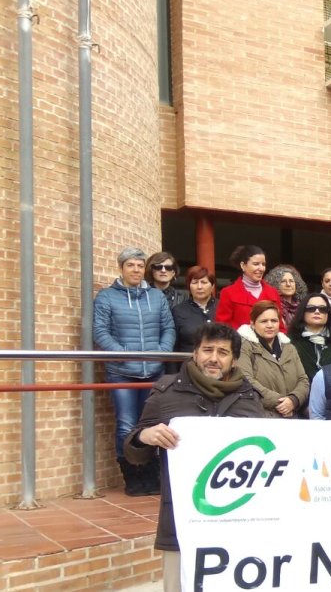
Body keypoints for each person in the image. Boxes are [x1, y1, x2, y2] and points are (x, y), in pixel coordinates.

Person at [125, 322, 264, 592]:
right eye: (207, 350)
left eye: (222, 352)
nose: (214, 358)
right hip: (181, 521)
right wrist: (145, 437)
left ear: (234, 359)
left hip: (238, 522)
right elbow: (134, 452)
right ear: (195, 354)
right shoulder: (167, 392)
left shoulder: (250, 398)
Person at [93, 247, 176, 496]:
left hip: (153, 370)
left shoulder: (156, 297)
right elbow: (100, 331)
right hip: (122, 372)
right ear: (121, 268)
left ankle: (151, 474)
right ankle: (132, 476)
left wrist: (160, 352)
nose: (136, 270)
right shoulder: (107, 297)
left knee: (153, 423)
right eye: (131, 265)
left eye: (140, 266)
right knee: (126, 424)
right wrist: (123, 355)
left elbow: (168, 327)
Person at [234, 301, 309, 419]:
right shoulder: (244, 346)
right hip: (260, 416)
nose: (270, 325)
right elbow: (245, 379)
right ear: (252, 324)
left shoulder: (289, 347)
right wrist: (281, 403)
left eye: (274, 321)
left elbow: (303, 379)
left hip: (293, 414)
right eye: (264, 321)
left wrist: (293, 400)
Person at [215, 245, 283, 332]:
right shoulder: (228, 293)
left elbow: (280, 326)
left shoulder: (273, 292)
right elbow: (222, 328)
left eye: (263, 264)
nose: (261, 268)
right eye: (256, 264)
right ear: (243, 265)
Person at [287, 292, 331, 388]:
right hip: (300, 397)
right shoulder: (289, 342)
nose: (317, 311)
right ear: (303, 312)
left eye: (323, 309)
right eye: (311, 308)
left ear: (328, 314)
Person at [170, 265, 218, 358]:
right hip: (188, 365)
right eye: (195, 282)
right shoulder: (179, 310)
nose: (199, 287)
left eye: (204, 282)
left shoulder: (223, 306)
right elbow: (174, 346)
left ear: (212, 286)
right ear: (189, 286)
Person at [264, 264, 307, 329]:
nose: (288, 284)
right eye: (283, 281)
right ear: (275, 284)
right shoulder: (272, 306)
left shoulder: (303, 307)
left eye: (291, 281)